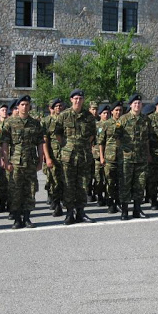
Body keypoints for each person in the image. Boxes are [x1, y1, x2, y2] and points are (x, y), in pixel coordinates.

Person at [0, 95, 45, 229]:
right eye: (22, 105)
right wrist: (6, 161)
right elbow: (5, 144)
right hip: (16, 162)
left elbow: (40, 143)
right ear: (17, 107)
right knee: (15, 190)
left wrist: (40, 160)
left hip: (31, 161)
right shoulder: (10, 123)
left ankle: (27, 217)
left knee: (30, 190)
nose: (25, 107)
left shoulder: (35, 123)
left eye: (27, 105)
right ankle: (17, 218)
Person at [54, 89, 97, 225]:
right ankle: (69, 213)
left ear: (83, 100)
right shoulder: (64, 115)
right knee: (68, 185)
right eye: (76, 98)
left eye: (80, 98)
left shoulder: (88, 117)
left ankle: (81, 212)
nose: (78, 101)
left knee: (83, 185)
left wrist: (82, 145)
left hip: (84, 156)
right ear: (71, 99)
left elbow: (92, 135)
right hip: (68, 157)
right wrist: (67, 146)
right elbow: (58, 134)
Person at [116, 93, 152, 220]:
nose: (137, 105)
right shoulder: (123, 120)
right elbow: (117, 137)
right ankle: (124, 210)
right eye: (135, 103)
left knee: (140, 184)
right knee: (125, 184)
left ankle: (137, 209)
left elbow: (147, 139)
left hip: (141, 158)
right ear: (130, 105)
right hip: (127, 158)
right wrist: (123, 151)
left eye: (139, 103)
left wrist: (148, 154)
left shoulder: (145, 120)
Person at [42, 98, 65, 217]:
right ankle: (57, 205)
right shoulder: (47, 121)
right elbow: (44, 141)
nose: (59, 108)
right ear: (52, 108)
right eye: (56, 106)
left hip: (67, 156)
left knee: (66, 181)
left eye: (61, 106)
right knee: (55, 181)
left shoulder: (67, 119)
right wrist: (47, 157)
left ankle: (67, 203)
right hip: (54, 156)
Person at [99, 101, 122, 214]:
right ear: (112, 112)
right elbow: (101, 142)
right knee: (109, 181)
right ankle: (110, 202)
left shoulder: (124, 122)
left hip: (122, 157)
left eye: (120, 110)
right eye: (116, 110)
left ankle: (118, 202)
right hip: (109, 157)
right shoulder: (106, 124)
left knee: (120, 181)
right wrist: (102, 157)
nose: (118, 112)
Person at [93, 105, 110, 206]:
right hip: (97, 156)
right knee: (98, 178)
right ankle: (99, 196)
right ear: (100, 114)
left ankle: (108, 197)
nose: (106, 115)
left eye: (107, 113)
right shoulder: (95, 125)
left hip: (109, 155)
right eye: (104, 113)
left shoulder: (111, 124)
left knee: (108, 177)